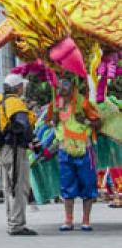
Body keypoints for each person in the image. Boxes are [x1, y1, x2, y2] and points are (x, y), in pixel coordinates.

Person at [46, 76, 101, 231]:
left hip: (85, 149)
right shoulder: (55, 104)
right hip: (65, 151)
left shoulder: (83, 102)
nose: (61, 87)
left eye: (65, 84)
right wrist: (53, 120)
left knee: (88, 185)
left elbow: (98, 122)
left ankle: (86, 221)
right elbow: (48, 122)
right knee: (66, 186)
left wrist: (85, 121)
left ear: (72, 85)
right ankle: (68, 220)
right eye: (59, 84)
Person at [0, 73, 37, 236]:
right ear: (18, 87)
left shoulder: (2, 101)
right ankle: (17, 225)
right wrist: (32, 141)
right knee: (20, 186)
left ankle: (12, 220)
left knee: (9, 188)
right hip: (15, 150)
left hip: (5, 149)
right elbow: (23, 125)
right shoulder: (16, 103)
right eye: (22, 86)